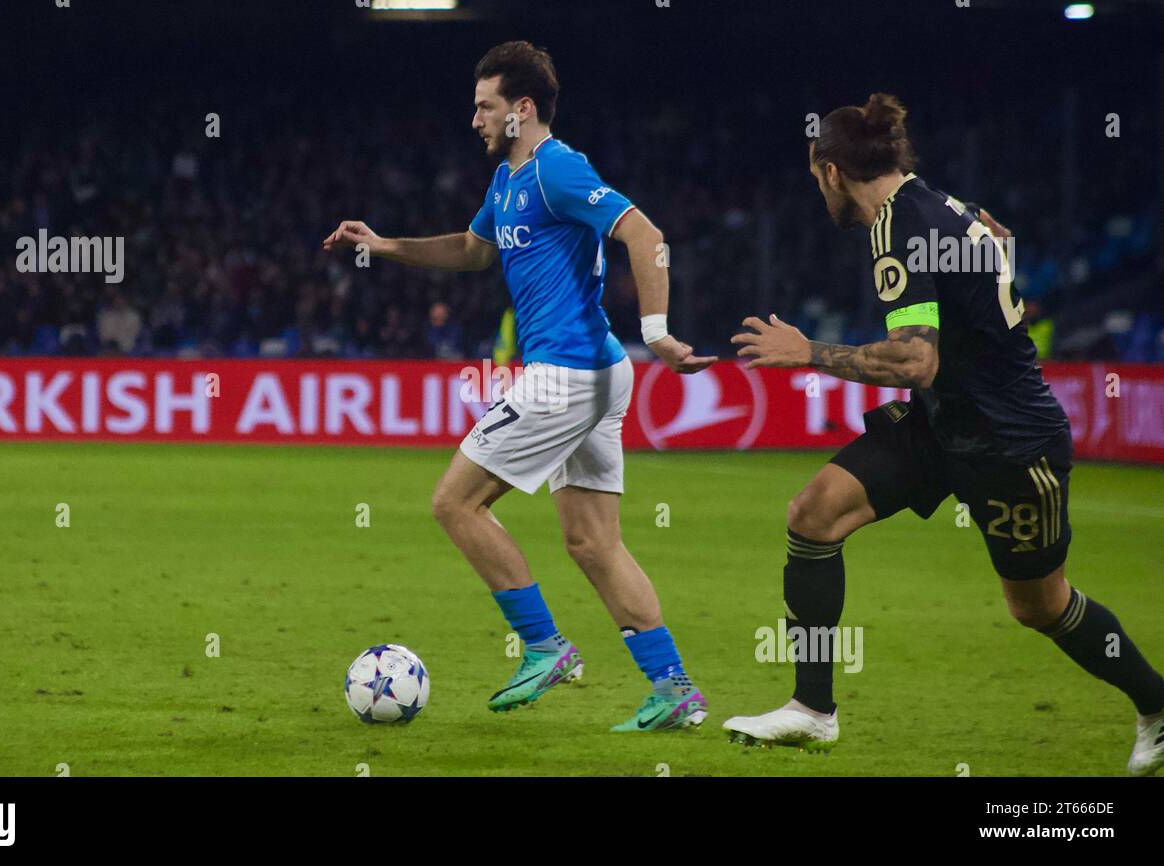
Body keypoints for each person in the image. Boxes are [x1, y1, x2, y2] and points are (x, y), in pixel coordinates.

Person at [725, 93, 1164, 775]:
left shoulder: (899, 227)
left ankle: (1158, 706)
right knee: (813, 516)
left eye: (817, 180)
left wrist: (807, 352)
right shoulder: (941, 206)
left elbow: (914, 358)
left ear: (834, 172)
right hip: (944, 422)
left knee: (1039, 607)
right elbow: (990, 259)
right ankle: (813, 710)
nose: (819, 193)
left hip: (1011, 444)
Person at [323, 41, 716, 731]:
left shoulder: (556, 169)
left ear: (522, 108)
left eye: (485, 106)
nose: (474, 119)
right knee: (595, 544)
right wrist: (385, 246)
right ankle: (674, 688)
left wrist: (655, 330)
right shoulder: (508, 179)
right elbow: (474, 251)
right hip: (592, 377)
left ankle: (545, 647)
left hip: (568, 374)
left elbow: (645, 233)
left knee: (455, 503)